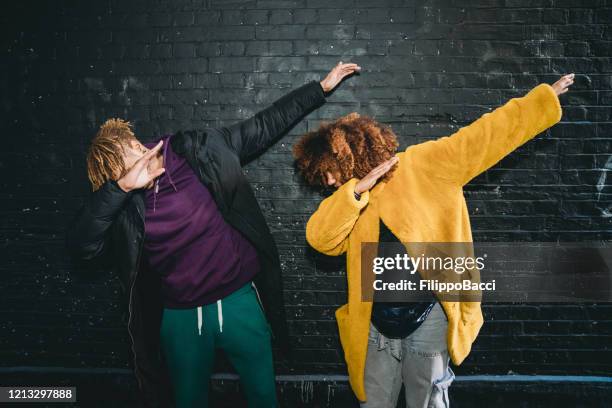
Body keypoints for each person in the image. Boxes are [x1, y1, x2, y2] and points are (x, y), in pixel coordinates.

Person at [65, 61, 361, 408]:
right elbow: (82, 247)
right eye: (125, 172)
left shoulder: (197, 150)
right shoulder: (126, 206)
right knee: (189, 401)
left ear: (135, 142)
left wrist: (319, 89)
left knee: (263, 395)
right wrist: (122, 189)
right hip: (181, 317)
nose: (141, 164)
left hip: (238, 299)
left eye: (136, 153)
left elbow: (262, 127)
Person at [293, 74, 574, 408]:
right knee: (373, 402)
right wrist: (355, 192)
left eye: (330, 170)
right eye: (322, 175)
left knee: (426, 401)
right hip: (373, 325)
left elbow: (485, 137)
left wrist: (540, 101)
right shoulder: (348, 198)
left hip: (430, 315)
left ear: (351, 153)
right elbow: (320, 240)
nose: (327, 181)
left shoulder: (426, 163)